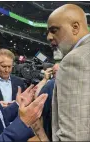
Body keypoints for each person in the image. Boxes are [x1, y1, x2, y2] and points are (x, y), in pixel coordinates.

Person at [47, 4, 90, 141]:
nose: (49, 37)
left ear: (75, 27)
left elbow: (74, 136)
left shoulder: (74, 59)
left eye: (54, 30)